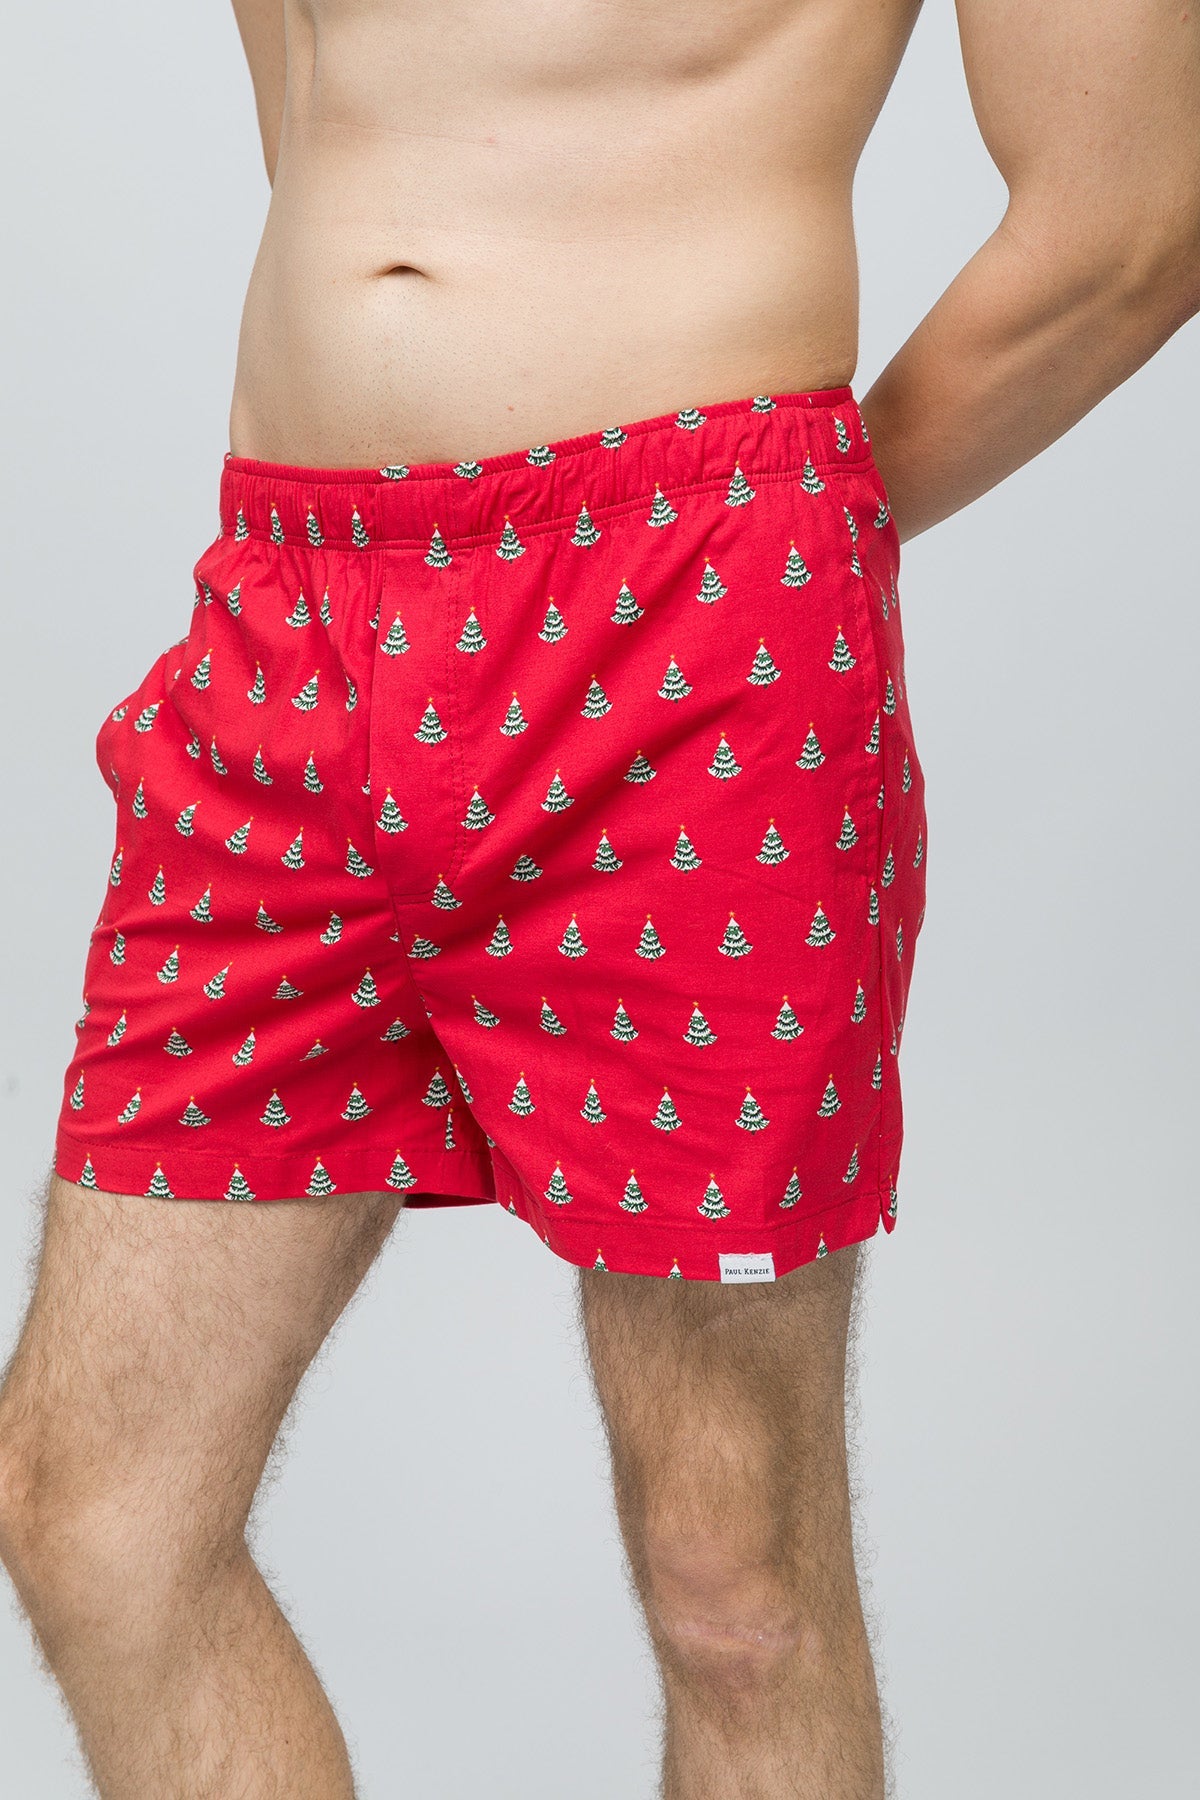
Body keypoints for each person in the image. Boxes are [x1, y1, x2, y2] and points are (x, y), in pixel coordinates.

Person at [1, 2, 1197, 1794]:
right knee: (96, 1516)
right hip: (293, 607)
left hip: (692, 621)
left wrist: (766, 539)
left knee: (735, 1575)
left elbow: (1134, 221)